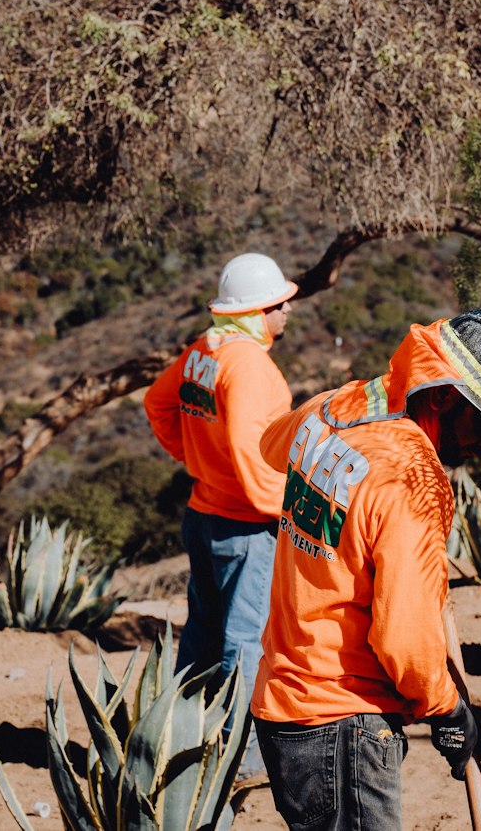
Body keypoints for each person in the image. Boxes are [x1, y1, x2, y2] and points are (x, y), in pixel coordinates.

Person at [250, 309, 481, 831]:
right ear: (443, 395)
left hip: (285, 709)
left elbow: (273, 447)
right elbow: (405, 639)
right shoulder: (414, 479)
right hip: (343, 722)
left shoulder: (342, 404)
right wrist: (449, 713)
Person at [144, 251, 298, 770]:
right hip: (245, 526)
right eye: (280, 303)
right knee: (244, 643)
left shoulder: (204, 350)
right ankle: (237, 759)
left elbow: (158, 404)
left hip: (202, 514)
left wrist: (193, 456)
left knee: (203, 635)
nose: (287, 312)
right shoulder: (251, 367)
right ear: (257, 311)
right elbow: (254, 455)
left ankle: (181, 740)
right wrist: (283, 511)